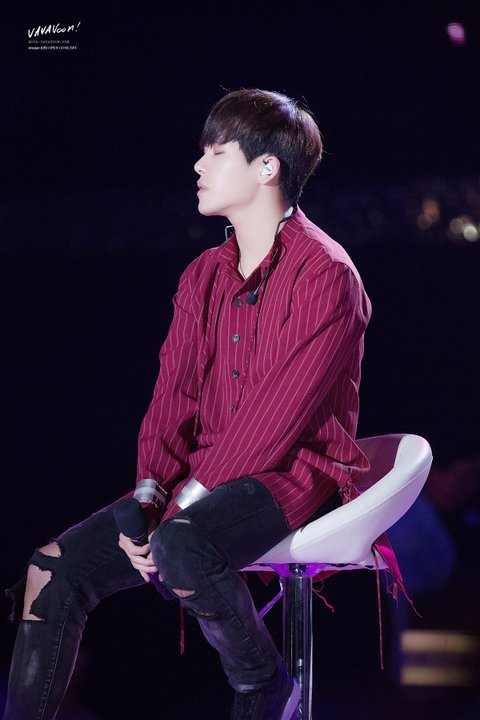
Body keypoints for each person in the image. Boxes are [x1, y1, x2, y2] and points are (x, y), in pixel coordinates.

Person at [2, 88, 372, 720]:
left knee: (181, 543)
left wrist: (175, 510)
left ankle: (263, 686)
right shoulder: (202, 274)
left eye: (216, 152)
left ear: (266, 167)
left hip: (294, 473)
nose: (198, 165)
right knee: (51, 570)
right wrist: (149, 498)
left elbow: (272, 423)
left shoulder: (326, 272)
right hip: (201, 484)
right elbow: (172, 398)